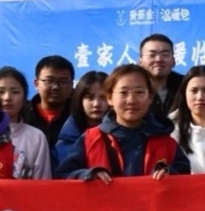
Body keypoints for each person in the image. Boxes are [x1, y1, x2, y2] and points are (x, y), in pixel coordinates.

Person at [57, 64, 190, 181]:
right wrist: (88, 175)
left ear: (150, 97)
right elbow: (63, 176)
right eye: (123, 92)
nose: (131, 100)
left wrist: (169, 174)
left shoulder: (166, 143)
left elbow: (185, 178)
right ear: (109, 98)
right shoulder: (90, 139)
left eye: (139, 92)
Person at [0, 66, 52, 179]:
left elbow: (43, 183)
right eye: (0, 92)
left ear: (24, 98)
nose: (7, 98)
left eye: (15, 92)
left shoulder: (36, 137)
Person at [52, 70, 109, 168]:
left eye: (103, 97)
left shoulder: (121, 137)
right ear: (79, 99)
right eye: (90, 97)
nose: (96, 104)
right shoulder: (64, 142)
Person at [22, 56, 74, 147]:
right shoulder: (22, 115)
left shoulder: (78, 116)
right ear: (36, 83)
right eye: (49, 81)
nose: (56, 87)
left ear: (71, 85)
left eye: (63, 82)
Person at [138, 34, 182, 121]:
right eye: (152, 55)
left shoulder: (185, 86)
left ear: (173, 61)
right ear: (140, 61)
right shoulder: (131, 87)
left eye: (165, 55)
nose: (158, 59)